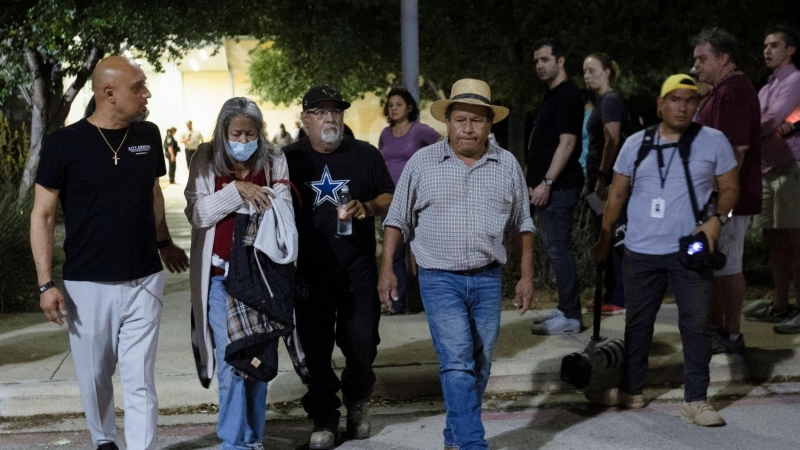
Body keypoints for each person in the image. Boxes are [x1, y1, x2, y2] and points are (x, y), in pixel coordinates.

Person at [30, 56, 189, 450]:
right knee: (95, 377)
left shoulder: (148, 135)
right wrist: (45, 282)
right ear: (108, 93)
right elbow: (43, 214)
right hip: (87, 284)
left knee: (139, 378)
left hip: (144, 279)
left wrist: (163, 241)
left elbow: (153, 193)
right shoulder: (63, 144)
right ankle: (104, 440)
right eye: (138, 87)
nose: (146, 93)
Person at [379, 78, 535, 450]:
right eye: (460, 119)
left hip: (486, 278)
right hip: (438, 278)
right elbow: (396, 219)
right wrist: (387, 268)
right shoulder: (423, 162)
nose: (468, 128)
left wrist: (526, 277)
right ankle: (471, 443)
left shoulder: (507, 165)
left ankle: (454, 435)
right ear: (447, 122)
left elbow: (522, 226)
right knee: (457, 362)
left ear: (489, 124)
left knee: (479, 365)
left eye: (477, 120)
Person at [587, 74, 739, 427]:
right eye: (675, 99)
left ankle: (696, 400)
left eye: (690, 100)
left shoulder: (713, 141)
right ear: (660, 104)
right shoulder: (636, 144)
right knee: (638, 325)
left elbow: (732, 190)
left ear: (697, 105)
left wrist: (720, 219)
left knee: (697, 325)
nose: (682, 106)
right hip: (640, 251)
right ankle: (631, 391)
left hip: (691, 249)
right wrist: (604, 240)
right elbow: (616, 196)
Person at [283, 85, 394, 449]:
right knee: (315, 350)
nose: (330, 117)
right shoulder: (289, 158)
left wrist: (367, 207)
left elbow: (388, 196)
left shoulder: (364, 154)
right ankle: (324, 417)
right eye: (320, 111)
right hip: (308, 271)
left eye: (336, 111)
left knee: (362, 343)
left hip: (357, 268)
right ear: (306, 119)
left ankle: (358, 402)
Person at [184, 97, 291, 449]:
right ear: (222, 132)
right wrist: (237, 192)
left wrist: (255, 196)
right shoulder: (204, 159)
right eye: (236, 133)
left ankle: (252, 437)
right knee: (232, 363)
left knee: (258, 362)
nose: (243, 141)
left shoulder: (274, 159)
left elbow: (282, 208)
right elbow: (198, 214)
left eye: (250, 133)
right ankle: (234, 443)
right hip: (220, 279)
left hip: (262, 279)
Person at [692, 28, 762, 354]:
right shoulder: (723, 91)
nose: (696, 66)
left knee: (728, 264)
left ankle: (731, 335)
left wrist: (719, 201)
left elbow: (736, 152)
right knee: (716, 264)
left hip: (729, 198)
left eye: (702, 59)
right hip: (719, 196)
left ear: (722, 58)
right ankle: (717, 330)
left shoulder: (733, 93)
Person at [527, 38, 585, 335]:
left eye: (545, 59)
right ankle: (565, 308)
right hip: (547, 187)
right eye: (537, 60)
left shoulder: (569, 95)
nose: (539, 65)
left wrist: (547, 182)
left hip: (558, 188)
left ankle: (572, 315)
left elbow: (568, 142)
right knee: (554, 249)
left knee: (559, 249)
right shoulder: (552, 95)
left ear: (561, 61)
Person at [746, 26, 800, 334]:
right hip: (767, 168)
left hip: (789, 167)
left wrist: (753, 127)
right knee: (774, 242)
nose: (767, 50)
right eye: (765, 45)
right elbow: (760, 119)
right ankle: (781, 304)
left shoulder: (795, 80)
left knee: (793, 242)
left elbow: (769, 119)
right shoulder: (766, 86)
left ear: (790, 50)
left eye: (774, 45)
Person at [378, 87, 441, 313]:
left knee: (418, 252)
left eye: (399, 104)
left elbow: (443, 145)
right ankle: (396, 302)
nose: (393, 108)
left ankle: (422, 301)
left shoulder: (419, 131)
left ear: (410, 107)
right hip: (391, 201)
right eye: (391, 105)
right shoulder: (385, 134)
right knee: (393, 252)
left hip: (416, 199)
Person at [583, 53, 631, 316]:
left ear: (607, 72)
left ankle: (620, 297)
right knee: (605, 235)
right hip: (600, 181)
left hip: (611, 182)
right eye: (584, 71)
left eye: (592, 70)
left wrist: (603, 177)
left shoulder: (611, 100)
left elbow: (612, 139)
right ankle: (611, 294)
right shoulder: (602, 101)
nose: (587, 76)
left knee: (614, 235)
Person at [579, 89, 596, 172]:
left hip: (585, 165)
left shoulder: (586, 118)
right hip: (589, 165)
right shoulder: (597, 117)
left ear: (589, 102)